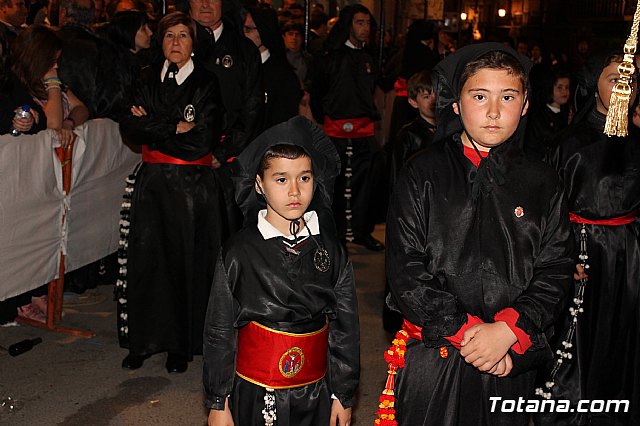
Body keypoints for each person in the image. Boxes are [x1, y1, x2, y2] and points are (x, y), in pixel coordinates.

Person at [376, 43, 574, 426]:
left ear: (527, 104)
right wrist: (465, 331)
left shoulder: (543, 180)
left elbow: (556, 266)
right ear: (455, 103)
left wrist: (508, 329)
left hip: (509, 356)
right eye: (480, 96)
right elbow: (405, 267)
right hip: (437, 349)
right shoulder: (422, 173)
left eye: (508, 97)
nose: (495, 111)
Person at [203, 116, 360, 426]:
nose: (294, 191)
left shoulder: (331, 249)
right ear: (259, 185)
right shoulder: (239, 252)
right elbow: (219, 329)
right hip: (256, 389)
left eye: (304, 178)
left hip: (316, 389)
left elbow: (346, 327)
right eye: (281, 179)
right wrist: (218, 401)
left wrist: (343, 393)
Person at [116, 11, 226, 374]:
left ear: (194, 43)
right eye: (168, 36)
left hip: (192, 189)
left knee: (185, 264)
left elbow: (202, 140)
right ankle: (143, 341)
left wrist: (156, 125)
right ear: (160, 42)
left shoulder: (207, 83)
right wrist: (173, 125)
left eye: (183, 35)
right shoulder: (146, 78)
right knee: (147, 263)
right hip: (152, 184)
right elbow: (131, 129)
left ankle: (182, 344)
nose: (175, 43)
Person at [535, 53, 640, 425]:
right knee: (579, 336)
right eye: (614, 79)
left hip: (629, 254)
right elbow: (548, 209)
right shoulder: (569, 142)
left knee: (622, 333)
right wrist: (562, 258)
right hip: (583, 251)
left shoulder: (638, 141)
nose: (623, 87)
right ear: (595, 82)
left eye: (630, 80)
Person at [311, 4, 383, 251]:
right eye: (359, 22)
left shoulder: (370, 58)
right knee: (335, 183)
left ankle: (362, 232)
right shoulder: (329, 57)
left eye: (367, 23)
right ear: (348, 25)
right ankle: (336, 235)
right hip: (335, 130)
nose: (365, 28)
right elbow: (317, 92)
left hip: (365, 130)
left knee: (366, 184)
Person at [242, 7, 301, 128]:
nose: (243, 34)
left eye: (248, 29)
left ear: (264, 32)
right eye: (243, 28)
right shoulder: (238, 67)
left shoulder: (283, 76)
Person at [387, 68, 437, 190]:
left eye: (437, 94)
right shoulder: (407, 135)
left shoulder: (449, 130)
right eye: (426, 96)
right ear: (414, 102)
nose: (433, 100)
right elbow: (396, 174)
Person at [524, 69, 572, 160]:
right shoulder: (540, 117)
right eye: (559, 87)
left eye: (567, 87)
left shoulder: (567, 113)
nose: (564, 91)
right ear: (550, 88)